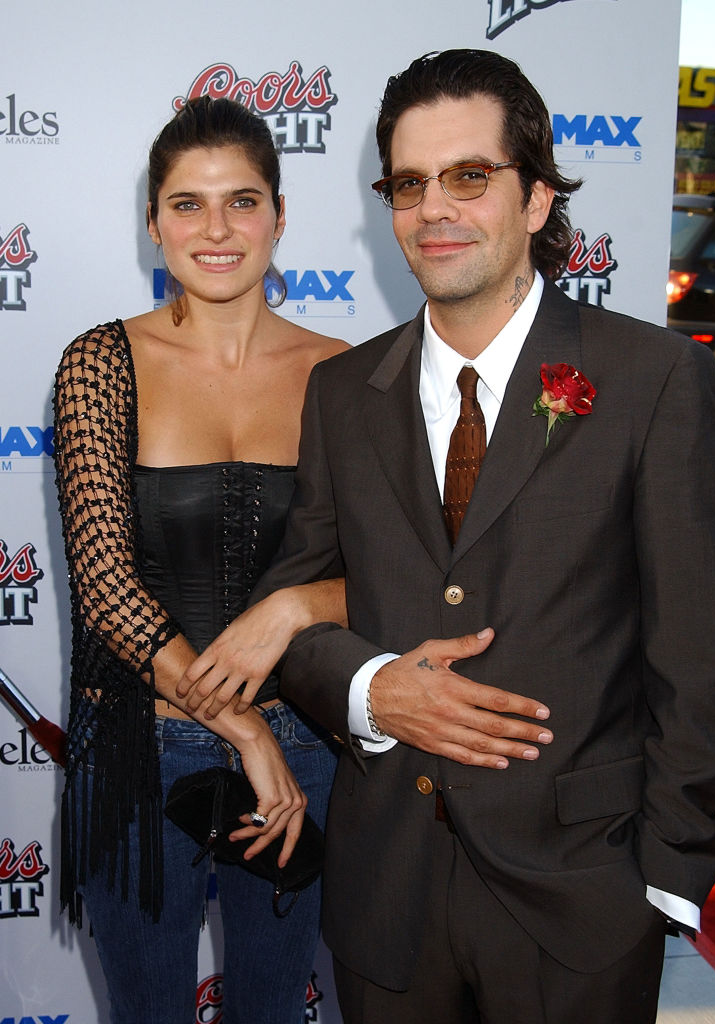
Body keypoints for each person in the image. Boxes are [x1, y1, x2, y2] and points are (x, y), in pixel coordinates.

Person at [240, 49, 715, 1024]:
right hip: (387, 897)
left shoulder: (651, 379)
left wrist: (661, 875)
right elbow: (297, 614)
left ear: (537, 197)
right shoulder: (342, 394)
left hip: (585, 903)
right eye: (409, 184)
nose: (434, 208)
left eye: (468, 176)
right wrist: (372, 688)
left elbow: (705, 652)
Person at [53, 96, 350, 1024]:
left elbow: (401, 573)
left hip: (307, 743)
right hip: (137, 750)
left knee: (274, 1009)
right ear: (154, 223)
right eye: (187, 204)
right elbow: (105, 588)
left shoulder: (345, 374)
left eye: (242, 201)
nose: (216, 230)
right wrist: (244, 730)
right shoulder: (100, 363)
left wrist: (296, 608)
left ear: (279, 214)